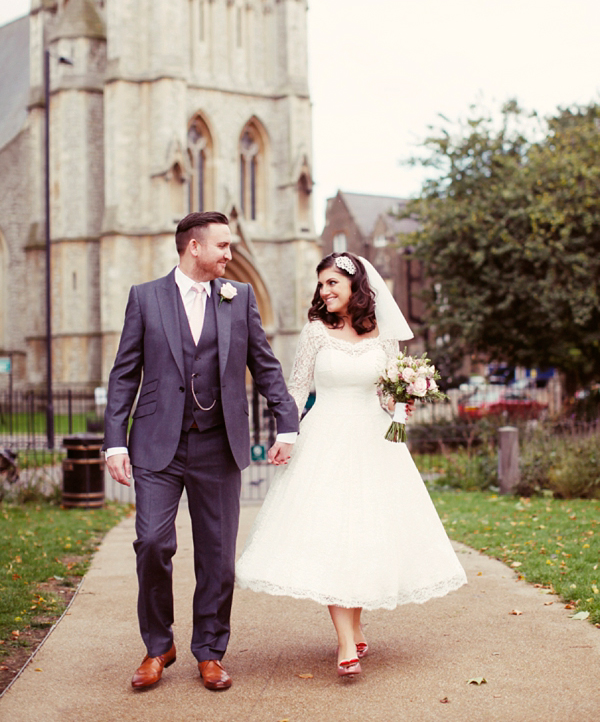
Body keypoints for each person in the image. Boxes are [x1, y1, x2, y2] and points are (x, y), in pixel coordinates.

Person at [236, 252, 467, 678]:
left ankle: (354, 626)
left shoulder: (383, 336)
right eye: (321, 285)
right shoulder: (315, 333)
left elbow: (385, 393)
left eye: (332, 284)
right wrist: (285, 435)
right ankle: (346, 643)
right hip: (324, 439)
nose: (324, 291)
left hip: (375, 443)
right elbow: (296, 387)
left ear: (354, 286)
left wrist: (402, 400)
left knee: (362, 535)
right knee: (330, 533)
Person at [104, 211, 298, 691]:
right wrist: (114, 441)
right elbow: (125, 373)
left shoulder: (240, 297)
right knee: (152, 542)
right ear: (194, 247)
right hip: (155, 442)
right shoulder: (145, 298)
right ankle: (158, 646)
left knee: (217, 557)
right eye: (223, 246)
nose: (230, 255)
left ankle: (210, 651)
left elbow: (266, 365)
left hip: (219, 442)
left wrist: (287, 424)